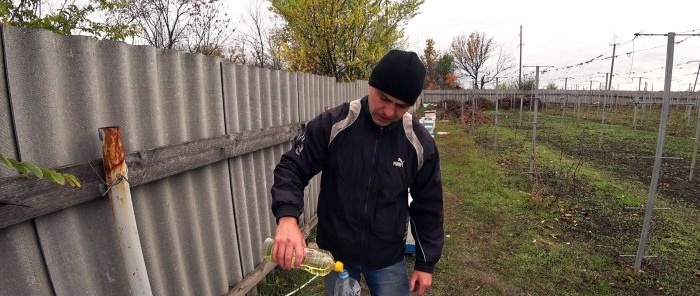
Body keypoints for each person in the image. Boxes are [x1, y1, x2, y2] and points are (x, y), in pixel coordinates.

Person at [270, 49, 444, 296]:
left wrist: (426, 264)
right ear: (371, 85)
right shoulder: (334, 124)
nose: (388, 111)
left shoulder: (418, 143)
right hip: (337, 256)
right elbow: (292, 167)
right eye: (383, 98)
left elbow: (429, 204)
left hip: (388, 258)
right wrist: (287, 218)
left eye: (401, 106)